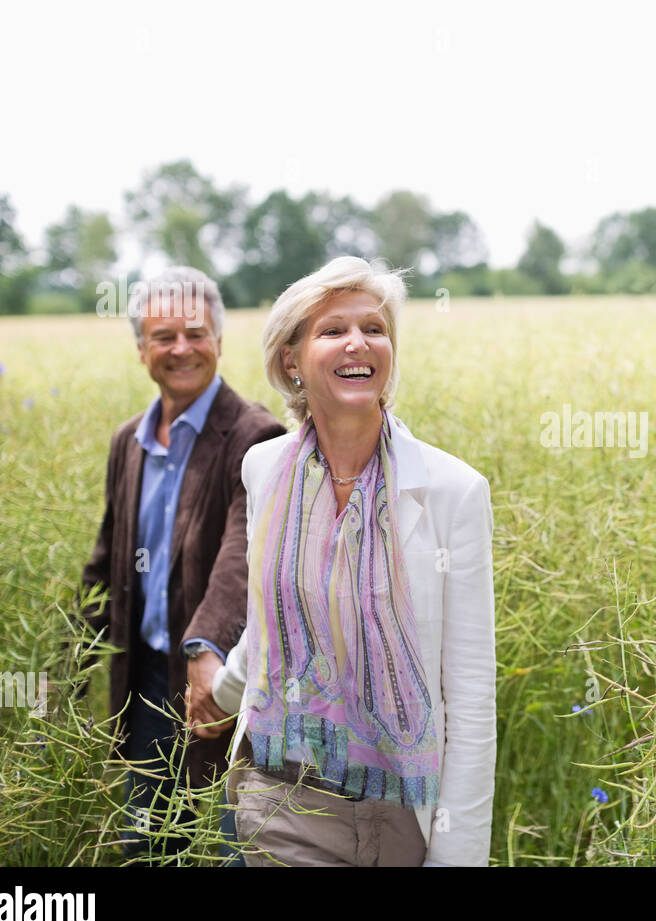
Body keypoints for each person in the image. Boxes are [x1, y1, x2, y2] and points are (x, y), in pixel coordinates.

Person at [200, 256, 496, 866]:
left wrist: (456, 857)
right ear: (291, 359)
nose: (358, 342)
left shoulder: (452, 490)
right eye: (333, 329)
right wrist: (222, 691)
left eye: (375, 328)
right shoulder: (265, 470)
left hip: (396, 815)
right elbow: (272, 618)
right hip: (279, 797)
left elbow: (468, 698)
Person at [78, 267, 286, 863]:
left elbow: (240, 554)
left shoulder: (254, 435)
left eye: (196, 334)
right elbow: (107, 558)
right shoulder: (130, 440)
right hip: (145, 685)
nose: (181, 349)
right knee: (146, 844)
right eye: (164, 336)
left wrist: (204, 646)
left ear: (219, 341)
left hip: (225, 686)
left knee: (229, 846)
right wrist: (69, 666)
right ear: (141, 348)